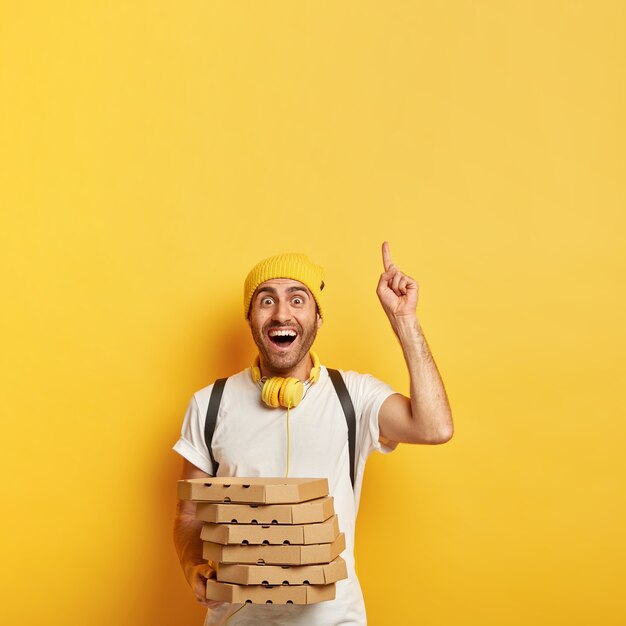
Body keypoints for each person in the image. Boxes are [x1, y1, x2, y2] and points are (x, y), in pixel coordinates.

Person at [173, 242, 453, 625]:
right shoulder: (209, 403)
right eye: (266, 301)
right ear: (250, 319)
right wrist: (193, 568)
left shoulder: (353, 396)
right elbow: (189, 515)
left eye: (298, 300)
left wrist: (405, 320)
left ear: (318, 319)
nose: (281, 314)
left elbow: (435, 427)